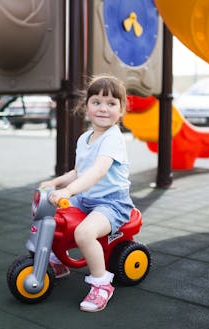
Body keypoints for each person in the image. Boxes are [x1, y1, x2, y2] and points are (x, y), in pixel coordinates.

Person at [39, 74, 134, 312]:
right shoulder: (84, 139)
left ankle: (102, 284)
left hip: (112, 203)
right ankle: (58, 260)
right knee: (56, 218)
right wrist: (55, 182)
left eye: (111, 103)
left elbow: (98, 171)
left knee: (84, 233)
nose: (103, 108)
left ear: (121, 110)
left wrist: (69, 191)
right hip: (86, 199)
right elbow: (78, 171)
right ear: (86, 106)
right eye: (97, 102)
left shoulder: (113, 138)